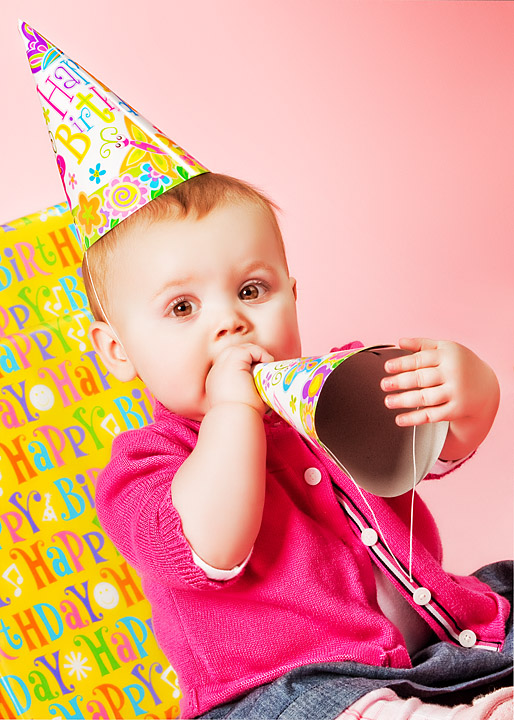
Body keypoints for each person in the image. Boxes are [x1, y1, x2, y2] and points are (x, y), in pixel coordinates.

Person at [86, 172, 512, 720]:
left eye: (251, 290)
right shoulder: (144, 467)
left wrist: (470, 394)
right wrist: (234, 411)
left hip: (439, 644)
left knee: (502, 590)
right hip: (284, 690)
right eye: (182, 308)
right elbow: (214, 547)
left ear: (292, 295)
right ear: (118, 350)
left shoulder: (334, 384)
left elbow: (434, 444)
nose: (231, 323)